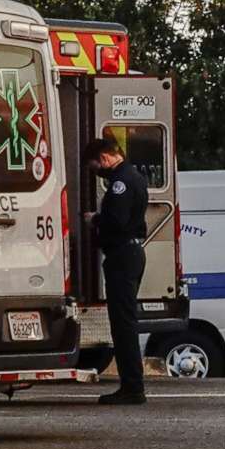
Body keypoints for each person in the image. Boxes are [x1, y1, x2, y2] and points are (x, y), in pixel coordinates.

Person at [89, 137, 150, 406]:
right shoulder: (135, 176)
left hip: (123, 256)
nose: (97, 172)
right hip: (132, 253)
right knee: (125, 322)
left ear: (104, 158)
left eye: (94, 167)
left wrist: (95, 220)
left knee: (123, 325)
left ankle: (132, 387)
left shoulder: (120, 182)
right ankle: (131, 384)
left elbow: (116, 221)